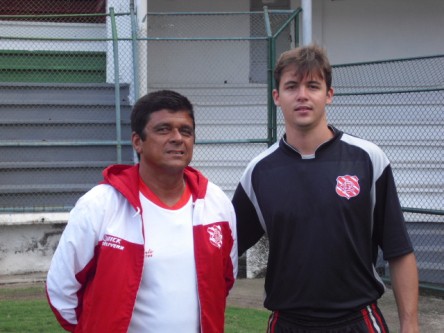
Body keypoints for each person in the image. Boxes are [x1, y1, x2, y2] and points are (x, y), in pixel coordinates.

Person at [232, 44, 419, 333]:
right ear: (276, 97)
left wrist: (410, 324)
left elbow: (399, 250)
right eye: (292, 86)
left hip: (357, 320)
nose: (302, 95)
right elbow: (224, 251)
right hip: (289, 323)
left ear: (329, 95)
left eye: (313, 86)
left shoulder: (368, 159)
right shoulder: (258, 171)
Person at [46, 90, 238, 333]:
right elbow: (61, 289)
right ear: (138, 141)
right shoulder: (101, 204)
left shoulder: (216, 204)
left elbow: (224, 282)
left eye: (185, 131)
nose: (177, 138)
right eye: (163, 129)